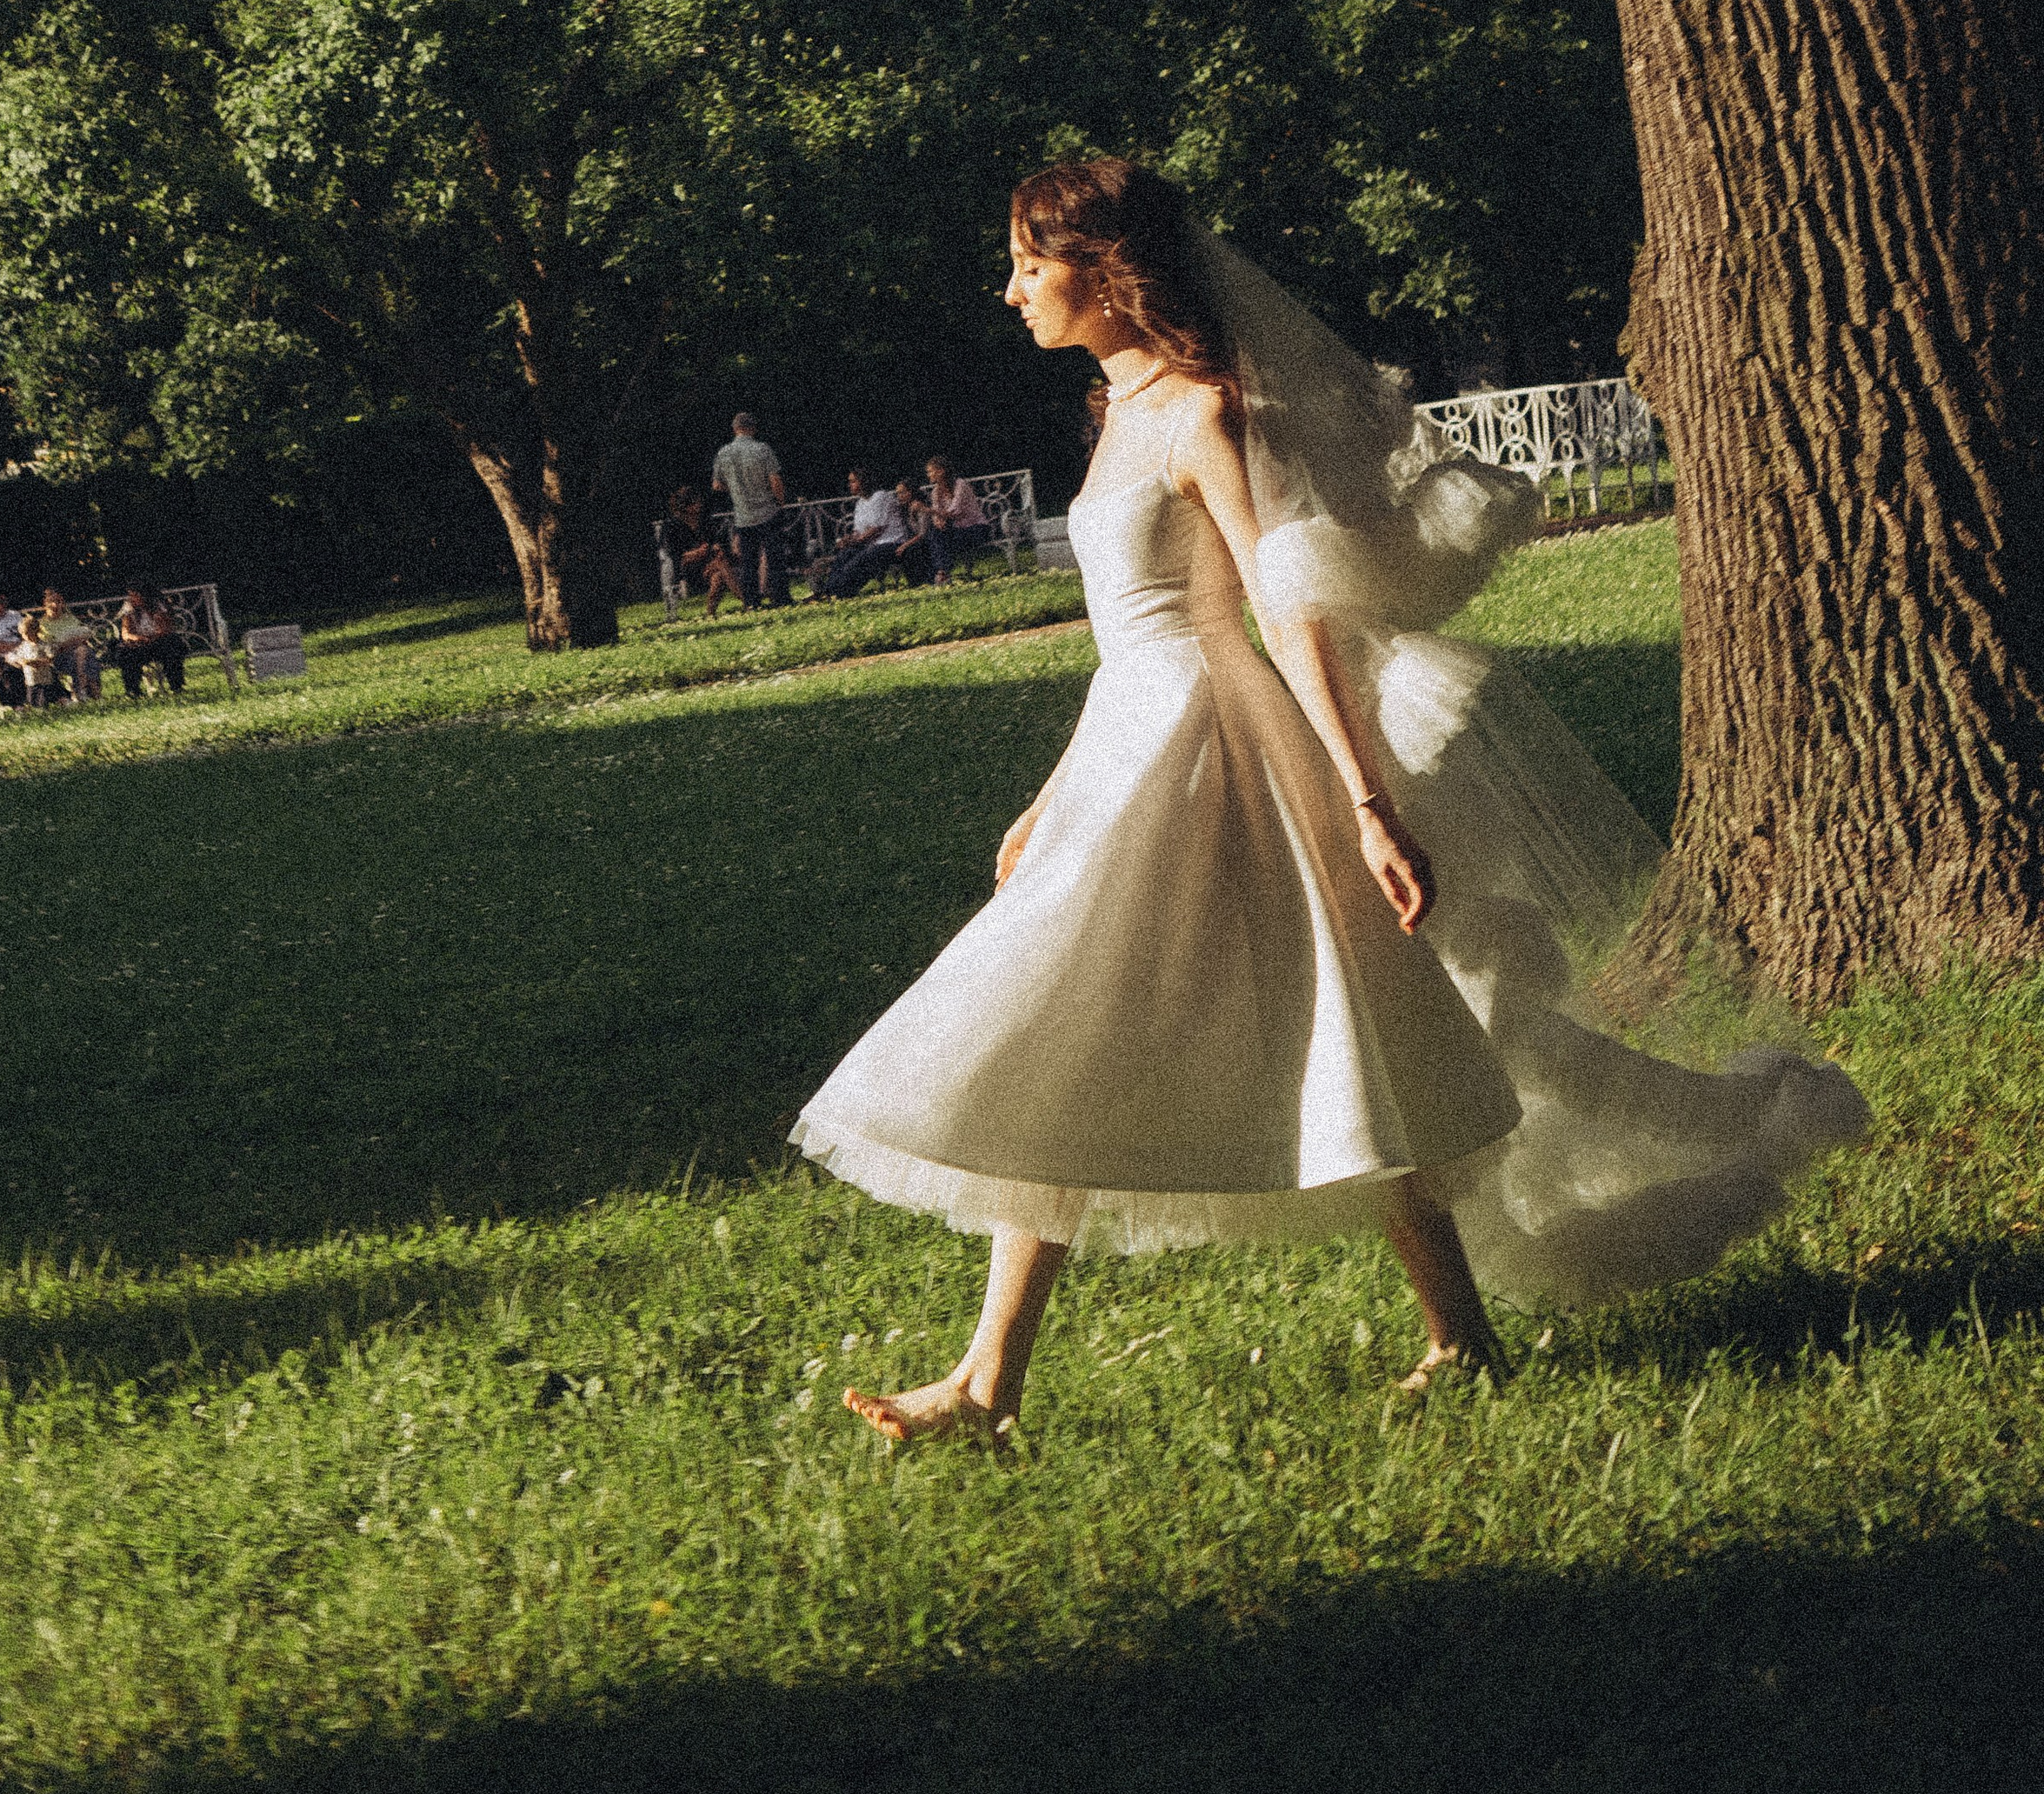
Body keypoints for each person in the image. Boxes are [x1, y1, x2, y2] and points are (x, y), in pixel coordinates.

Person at [794, 153, 1868, 1445]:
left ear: (1110, 269)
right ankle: (996, 1381)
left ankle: (1440, 1338)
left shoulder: (1205, 413)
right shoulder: (1116, 412)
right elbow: (1126, 644)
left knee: (1312, 1035)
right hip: (1133, 746)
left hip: (1218, 752)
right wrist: (1054, 793)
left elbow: (1281, 604)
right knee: (1113, 1035)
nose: (1011, 286)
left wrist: (1364, 798)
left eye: (1033, 260)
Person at [711, 410, 791, 608]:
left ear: (735, 429)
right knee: (775, 559)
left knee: (749, 564)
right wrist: (780, 503)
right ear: (752, 428)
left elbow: (716, 485)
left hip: (743, 516)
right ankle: (781, 598)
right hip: (767, 512)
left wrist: (736, 489)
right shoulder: (762, 449)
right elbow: (775, 480)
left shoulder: (723, 453)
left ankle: (751, 602)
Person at [815, 470, 910, 601]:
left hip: (891, 542)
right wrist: (848, 540)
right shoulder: (860, 503)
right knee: (844, 555)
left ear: (864, 482)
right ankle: (828, 591)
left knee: (861, 559)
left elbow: (877, 529)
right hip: (872, 543)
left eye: (853, 481)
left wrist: (857, 541)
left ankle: (835, 592)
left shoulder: (880, 497)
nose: (850, 485)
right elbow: (859, 530)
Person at [656, 490, 742, 617]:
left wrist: (715, 547)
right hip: (687, 571)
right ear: (686, 506)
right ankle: (747, 601)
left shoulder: (705, 521)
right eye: (696, 502)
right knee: (721, 564)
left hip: (708, 565)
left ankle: (710, 614)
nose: (700, 504)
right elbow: (673, 557)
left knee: (718, 575)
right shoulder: (671, 527)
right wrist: (695, 553)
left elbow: (716, 541)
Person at [924, 457, 994, 587]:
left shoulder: (959, 485)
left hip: (976, 528)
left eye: (930, 471)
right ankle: (942, 573)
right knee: (936, 534)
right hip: (957, 531)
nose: (928, 475)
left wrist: (928, 510)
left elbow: (954, 511)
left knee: (940, 541)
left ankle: (941, 574)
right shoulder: (936, 492)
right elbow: (938, 517)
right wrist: (938, 521)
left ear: (941, 471)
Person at [115, 587, 186, 697]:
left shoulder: (158, 605)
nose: (132, 599)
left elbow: (165, 629)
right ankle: (133, 690)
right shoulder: (129, 607)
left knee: (171, 647)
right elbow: (125, 633)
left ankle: (176, 686)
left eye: (135, 595)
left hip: (159, 641)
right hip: (141, 643)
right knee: (126, 652)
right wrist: (138, 639)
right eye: (130, 596)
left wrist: (153, 636)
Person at [35, 587, 102, 704]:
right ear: (45, 604)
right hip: (58, 659)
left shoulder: (69, 618)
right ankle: (93, 693)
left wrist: (70, 642)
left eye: (59, 601)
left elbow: (84, 635)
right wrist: (72, 642)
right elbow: (53, 647)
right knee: (85, 653)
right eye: (52, 602)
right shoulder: (41, 625)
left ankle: (82, 691)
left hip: (77, 655)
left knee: (85, 654)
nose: (56, 605)